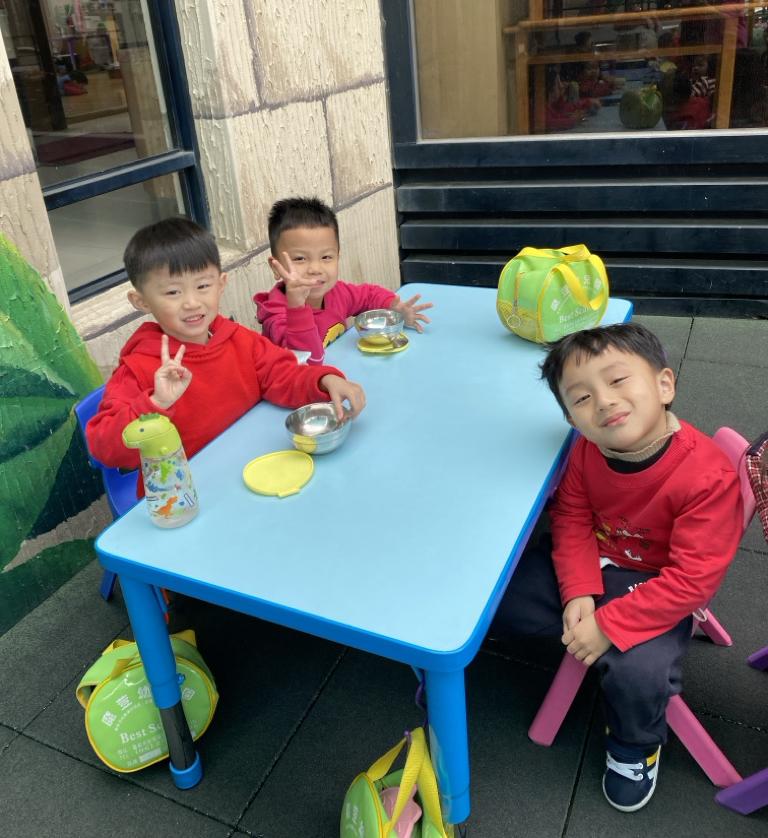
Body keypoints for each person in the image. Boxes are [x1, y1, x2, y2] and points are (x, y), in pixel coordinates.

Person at [489, 323, 742, 812]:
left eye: (618, 380)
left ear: (664, 385)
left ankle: (633, 746)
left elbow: (691, 581)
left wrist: (608, 625)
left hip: (658, 585)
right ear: (572, 420)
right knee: (492, 600)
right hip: (597, 562)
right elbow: (571, 517)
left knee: (639, 674)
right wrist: (579, 591)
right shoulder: (588, 450)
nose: (603, 402)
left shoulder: (708, 478)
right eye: (582, 398)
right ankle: (534, 628)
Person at [86, 217, 366, 488]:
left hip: (255, 470)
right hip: (187, 495)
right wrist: (155, 404)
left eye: (202, 286)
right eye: (173, 292)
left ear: (220, 285)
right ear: (142, 301)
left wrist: (325, 380)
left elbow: (282, 375)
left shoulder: (238, 339)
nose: (192, 302)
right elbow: (103, 447)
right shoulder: (138, 369)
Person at [254, 197, 432, 365]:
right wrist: (297, 308)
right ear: (276, 267)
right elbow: (307, 363)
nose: (315, 268)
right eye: (300, 258)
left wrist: (395, 309)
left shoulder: (336, 292)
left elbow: (368, 295)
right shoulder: (277, 316)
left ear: (338, 258)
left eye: (326, 257)